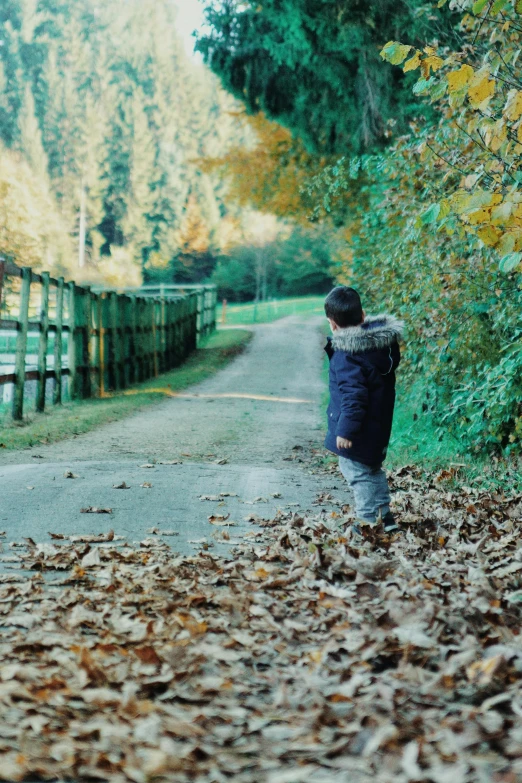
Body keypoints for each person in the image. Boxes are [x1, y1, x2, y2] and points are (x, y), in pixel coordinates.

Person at [324, 286, 404, 534]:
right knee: (372, 470)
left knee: (358, 475)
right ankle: (385, 518)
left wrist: (345, 431)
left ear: (332, 325)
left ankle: (368, 523)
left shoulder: (347, 355)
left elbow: (353, 396)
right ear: (363, 315)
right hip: (376, 428)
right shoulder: (380, 346)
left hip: (357, 432)